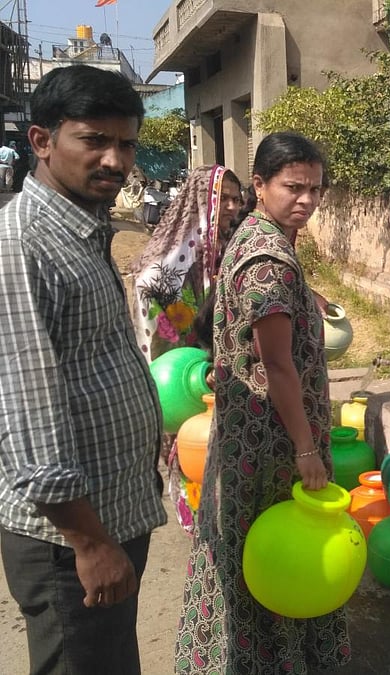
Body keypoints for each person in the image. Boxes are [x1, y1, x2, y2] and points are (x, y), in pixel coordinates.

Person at [0, 65, 166, 674]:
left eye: (125, 143)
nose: (115, 160)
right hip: (69, 540)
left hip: (112, 513)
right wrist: (90, 543)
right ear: (42, 141)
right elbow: (28, 407)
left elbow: (94, 358)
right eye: (94, 140)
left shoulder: (83, 227)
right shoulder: (21, 245)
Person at [175, 132, 350, 673]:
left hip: (245, 430)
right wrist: (305, 448)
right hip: (270, 441)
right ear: (259, 184)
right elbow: (276, 365)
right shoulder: (269, 259)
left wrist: (310, 299)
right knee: (277, 553)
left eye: (317, 190)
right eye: (293, 187)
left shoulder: (253, 232)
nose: (308, 200)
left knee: (238, 549)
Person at [131, 164, 244, 533]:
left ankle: (219, 515)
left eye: (235, 198)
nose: (231, 206)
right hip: (186, 366)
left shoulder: (225, 241)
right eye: (222, 198)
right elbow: (148, 283)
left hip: (214, 360)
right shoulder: (182, 247)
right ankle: (198, 521)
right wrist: (190, 327)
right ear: (201, 200)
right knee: (191, 437)